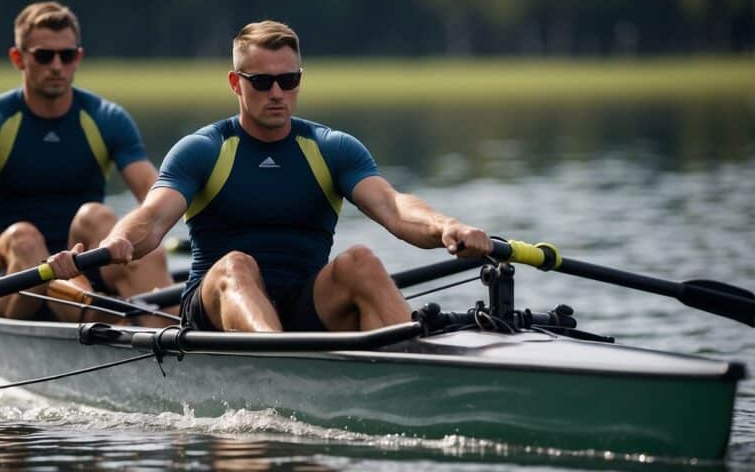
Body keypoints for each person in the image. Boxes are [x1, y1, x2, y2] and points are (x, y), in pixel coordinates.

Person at [48, 20, 491, 332]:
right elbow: (151, 217)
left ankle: (414, 367)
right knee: (237, 265)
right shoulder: (204, 150)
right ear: (235, 83)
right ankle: (277, 368)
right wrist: (117, 243)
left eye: (289, 80)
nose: (277, 93)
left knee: (362, 261)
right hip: (214, 308)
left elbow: (395, 207)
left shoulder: (330, 148)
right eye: (262, 83)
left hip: (304, 304)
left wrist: (447, 227)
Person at [0, 1, 172, 321]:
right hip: (13, 277)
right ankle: (113, 319)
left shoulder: (106, 119)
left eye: (67, 55)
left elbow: (154, 194)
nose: (57, 65)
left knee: (102, 218)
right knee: (24, 237)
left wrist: (155, 235)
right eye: (44, 56)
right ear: (18, 58)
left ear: (79, 58)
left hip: (84, 262)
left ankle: (171, 334)